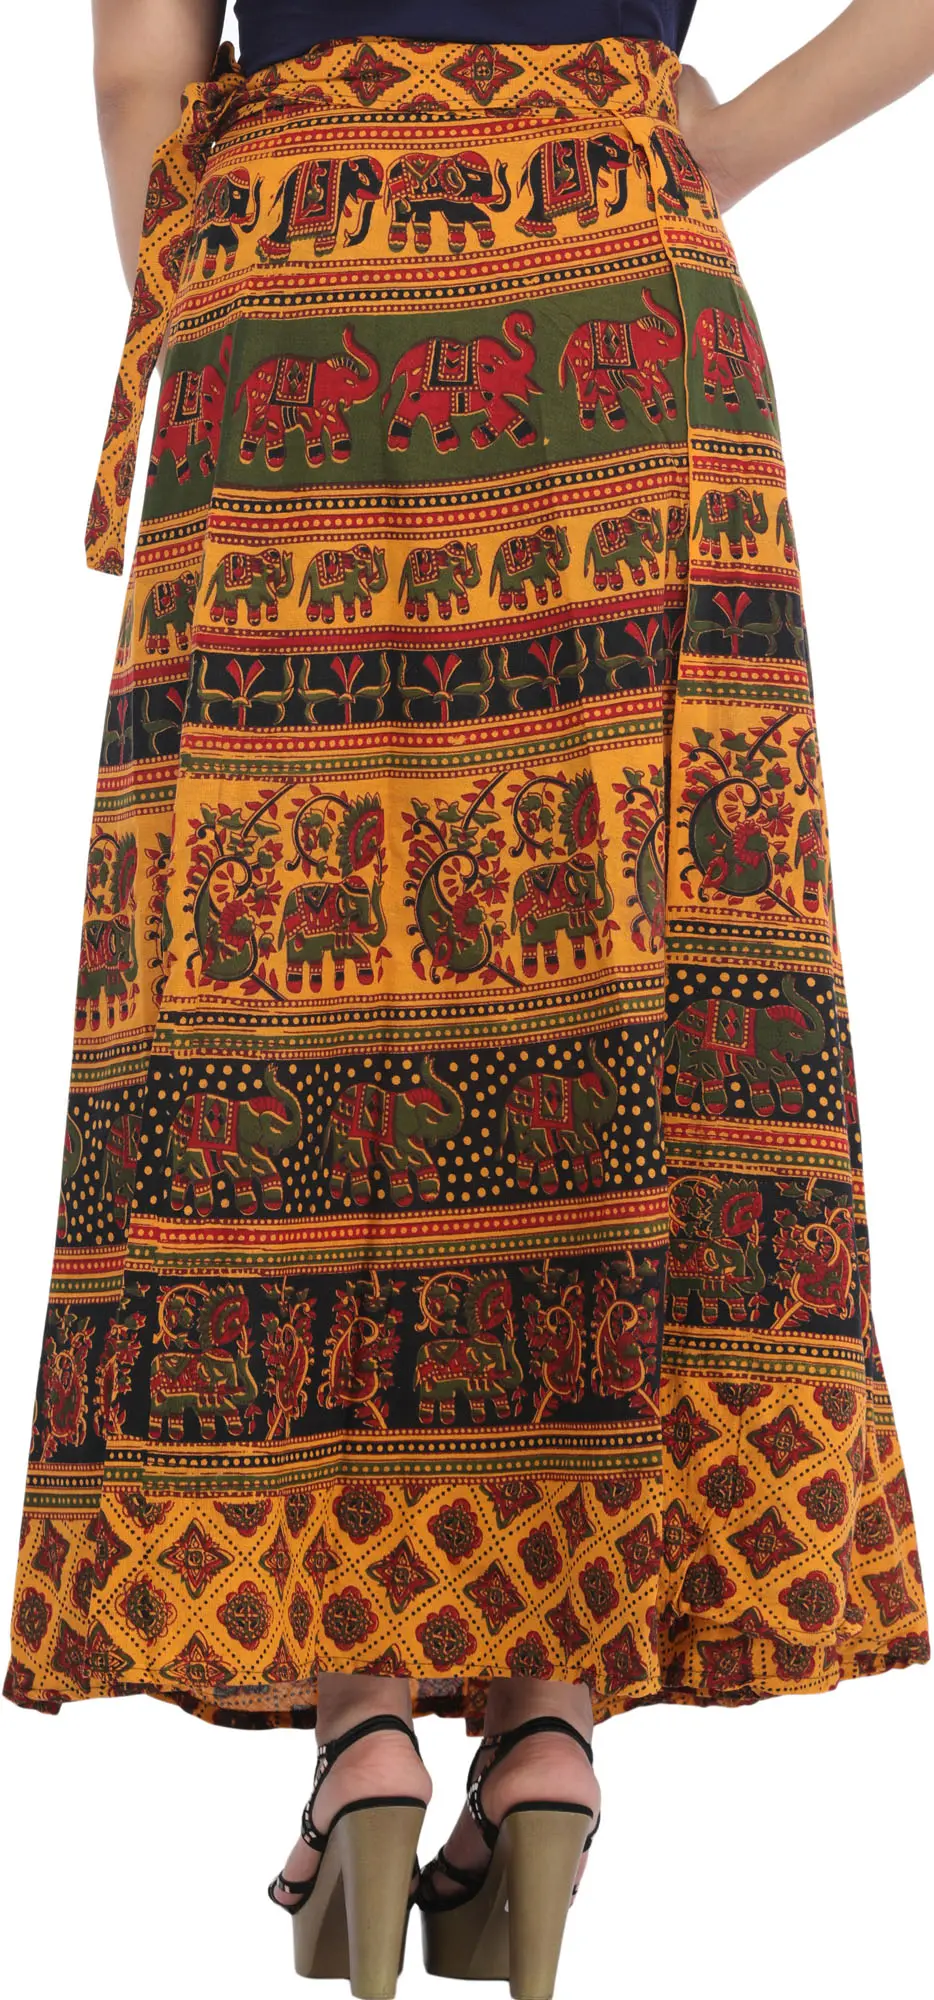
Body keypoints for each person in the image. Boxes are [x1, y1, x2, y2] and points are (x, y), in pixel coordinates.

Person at [5, 4, 932, 1997]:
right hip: (615, 305)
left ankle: (359, 1731)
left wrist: (224, 284)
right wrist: (720, 143)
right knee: (606, 976)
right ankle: (542, 1735)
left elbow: (133, 76)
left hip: (294, 324)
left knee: (299, 985)